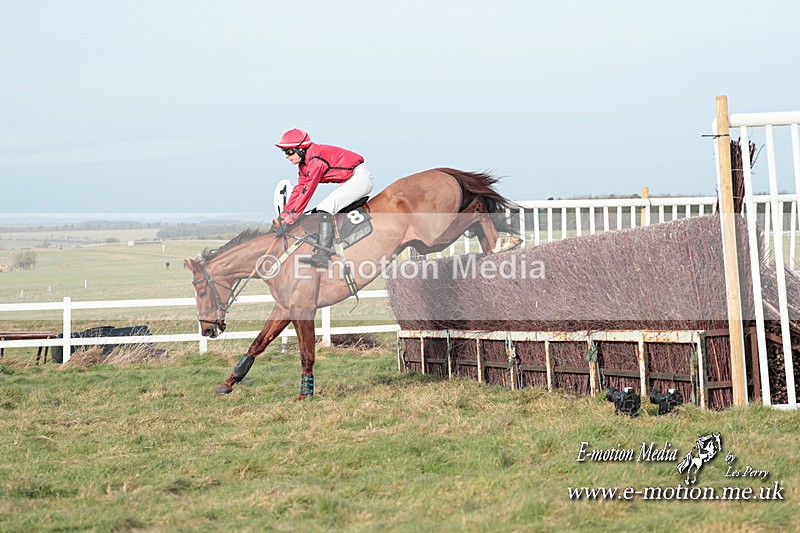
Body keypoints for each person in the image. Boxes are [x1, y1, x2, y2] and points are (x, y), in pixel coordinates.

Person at [272, 128, 374, 267]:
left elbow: (308, 191)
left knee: (325, 208)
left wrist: (290, 219)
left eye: (289, 152)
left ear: (301, 149)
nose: (286, 156)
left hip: (360, 179)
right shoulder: (304, 164)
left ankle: (323, 254)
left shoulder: (315, 160)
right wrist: (283, 216)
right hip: (352, 179)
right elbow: (299, 190)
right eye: (284, 152)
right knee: (321, 208)